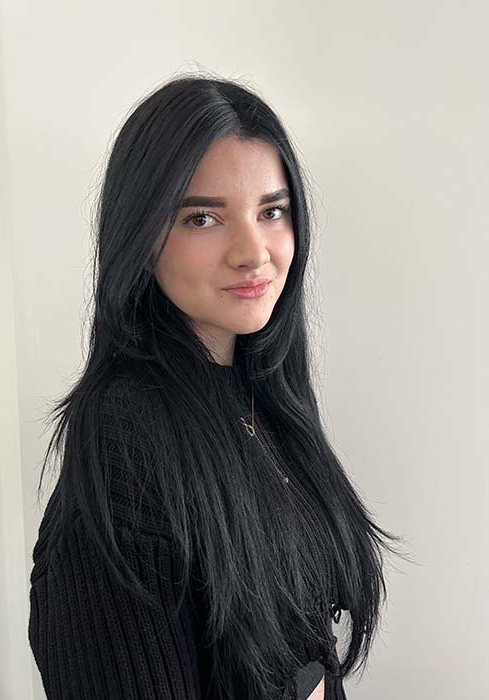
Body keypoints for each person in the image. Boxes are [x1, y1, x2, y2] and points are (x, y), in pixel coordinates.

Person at [28, 73, 410, 699]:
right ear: (141, 234)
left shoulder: (261, 396)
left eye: (272, 211)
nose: (253, 252)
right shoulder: (125, 442)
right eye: (203, 217)